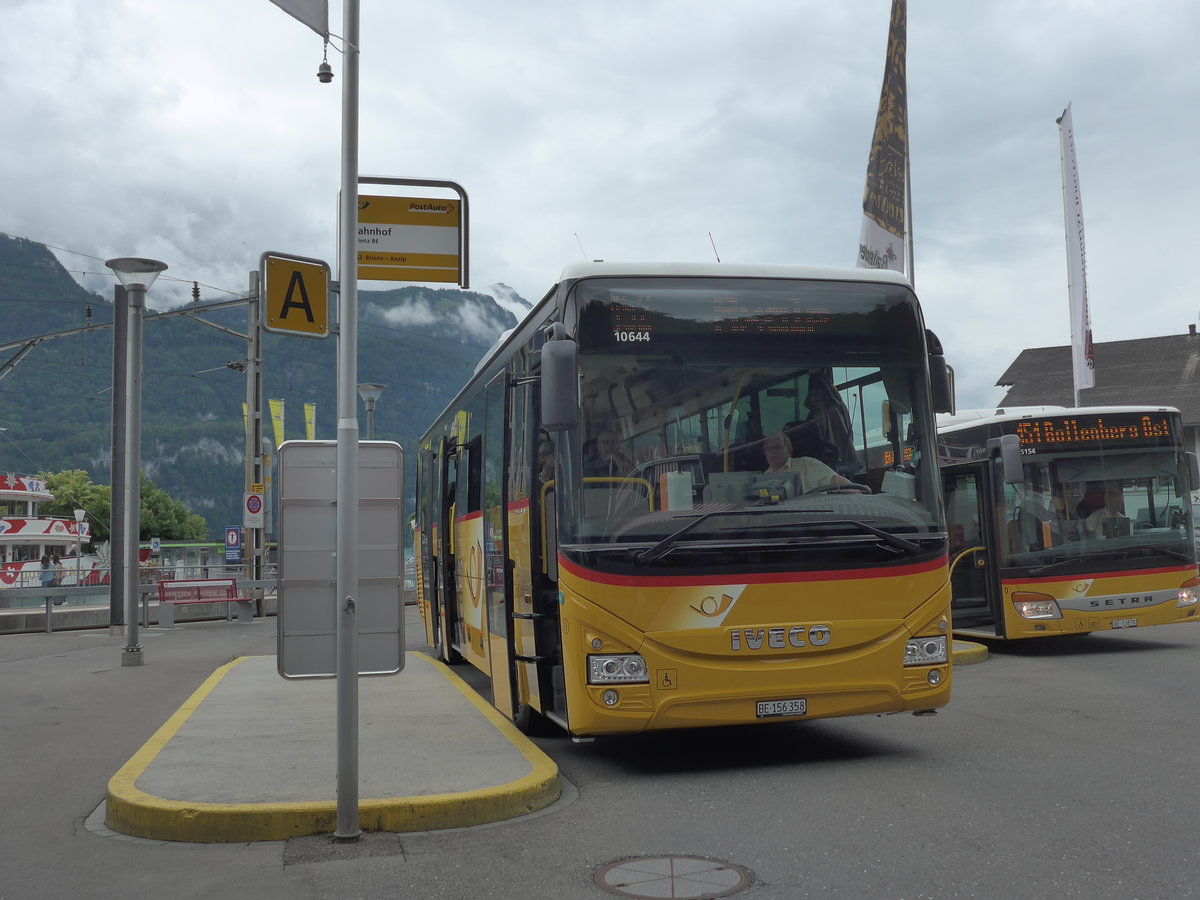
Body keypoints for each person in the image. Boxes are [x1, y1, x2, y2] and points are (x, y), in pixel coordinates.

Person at [761, 431, 852, 492]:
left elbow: (841, 484)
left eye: (777, 447)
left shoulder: (806, 464)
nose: (772, 451)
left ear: (789, 449)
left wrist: (858, 494)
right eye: (768, 448)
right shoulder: (762, 480)